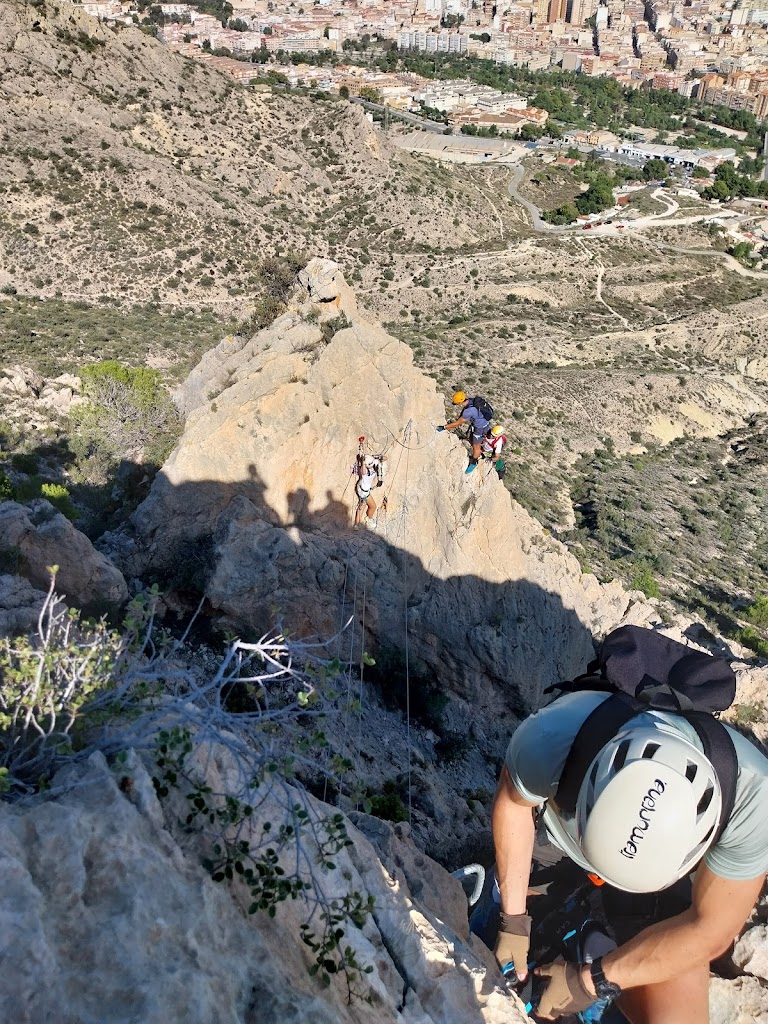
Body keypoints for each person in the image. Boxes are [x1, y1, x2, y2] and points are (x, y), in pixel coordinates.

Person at [491, 692, 768, 1022]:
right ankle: (559, 920)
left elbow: (709, 930)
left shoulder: (753, 804)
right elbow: (513, 804)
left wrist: (591, 981)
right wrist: (514, 921)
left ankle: (592, 944)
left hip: (662, 882)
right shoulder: (556, 737)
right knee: (497, 944)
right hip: (560, 842)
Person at [438, 391, 493, 474]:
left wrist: (444, 427)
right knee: (470, 438)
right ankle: (479, 452)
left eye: (457, 403)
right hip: (485, 424)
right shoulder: (471, 401)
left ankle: (474, 462)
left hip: (479, 428)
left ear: (460, 402)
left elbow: (458, 423)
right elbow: (461, 416)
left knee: (476, 447)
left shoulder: (468, 411)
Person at [353, 453, 385, 530]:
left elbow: (385, 458)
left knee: (365, 505)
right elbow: (363, 472)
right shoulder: (365, 470)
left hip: (363, 488)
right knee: (368, 506)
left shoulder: (373, 462)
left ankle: (357, 524)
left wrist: (374, 457)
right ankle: (366, 520)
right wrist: (364, 462)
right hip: (363, 491)